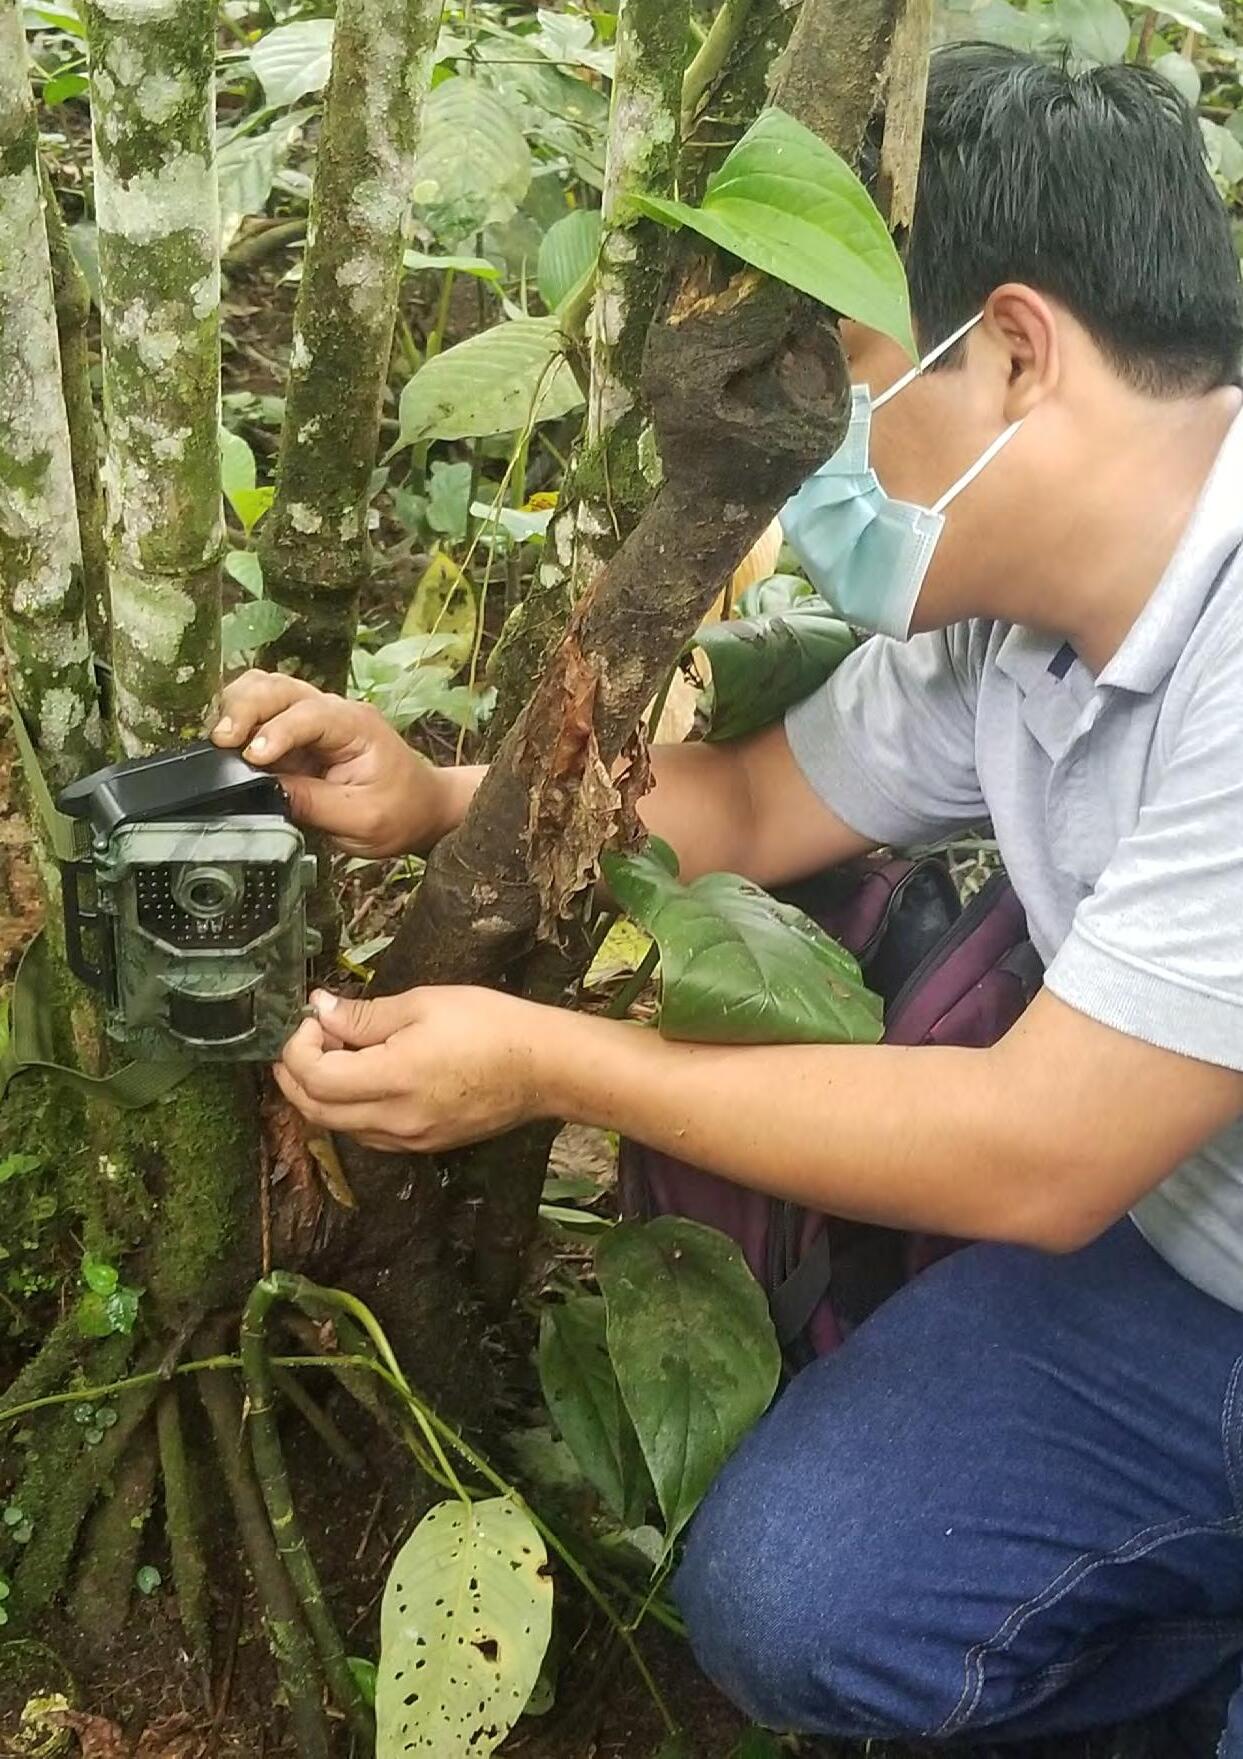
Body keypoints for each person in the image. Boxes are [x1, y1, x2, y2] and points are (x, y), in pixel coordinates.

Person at [214, 45, 1243, 1754]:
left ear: (1012, 350)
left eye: (845, 381)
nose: (817, 459)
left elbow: (1044, 1151)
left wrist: (549, 1065)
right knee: (796, 1588)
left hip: (1112, 1197)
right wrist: (436, 802)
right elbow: (760, 802)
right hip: (1184, 1267)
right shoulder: (1014, 610)